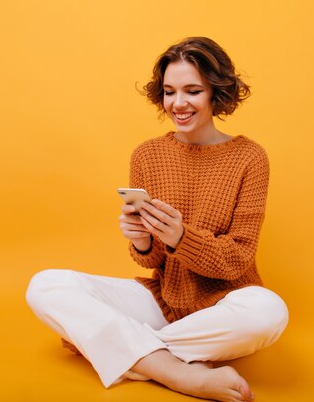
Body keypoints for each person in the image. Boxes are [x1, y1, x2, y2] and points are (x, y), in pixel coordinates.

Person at [26, 37, 289, 402]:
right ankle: (178, 372)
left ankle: (111, 344)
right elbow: (150, 262)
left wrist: (182, 236)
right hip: (161, 299)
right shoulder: (148, 155)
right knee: (46, 284)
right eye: (169, 92)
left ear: (217, 93)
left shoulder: (249, 157)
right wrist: (142, 241)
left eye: (192, 91)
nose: (178, 104)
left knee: (268, 312)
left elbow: (237, 259)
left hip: (222, 306)